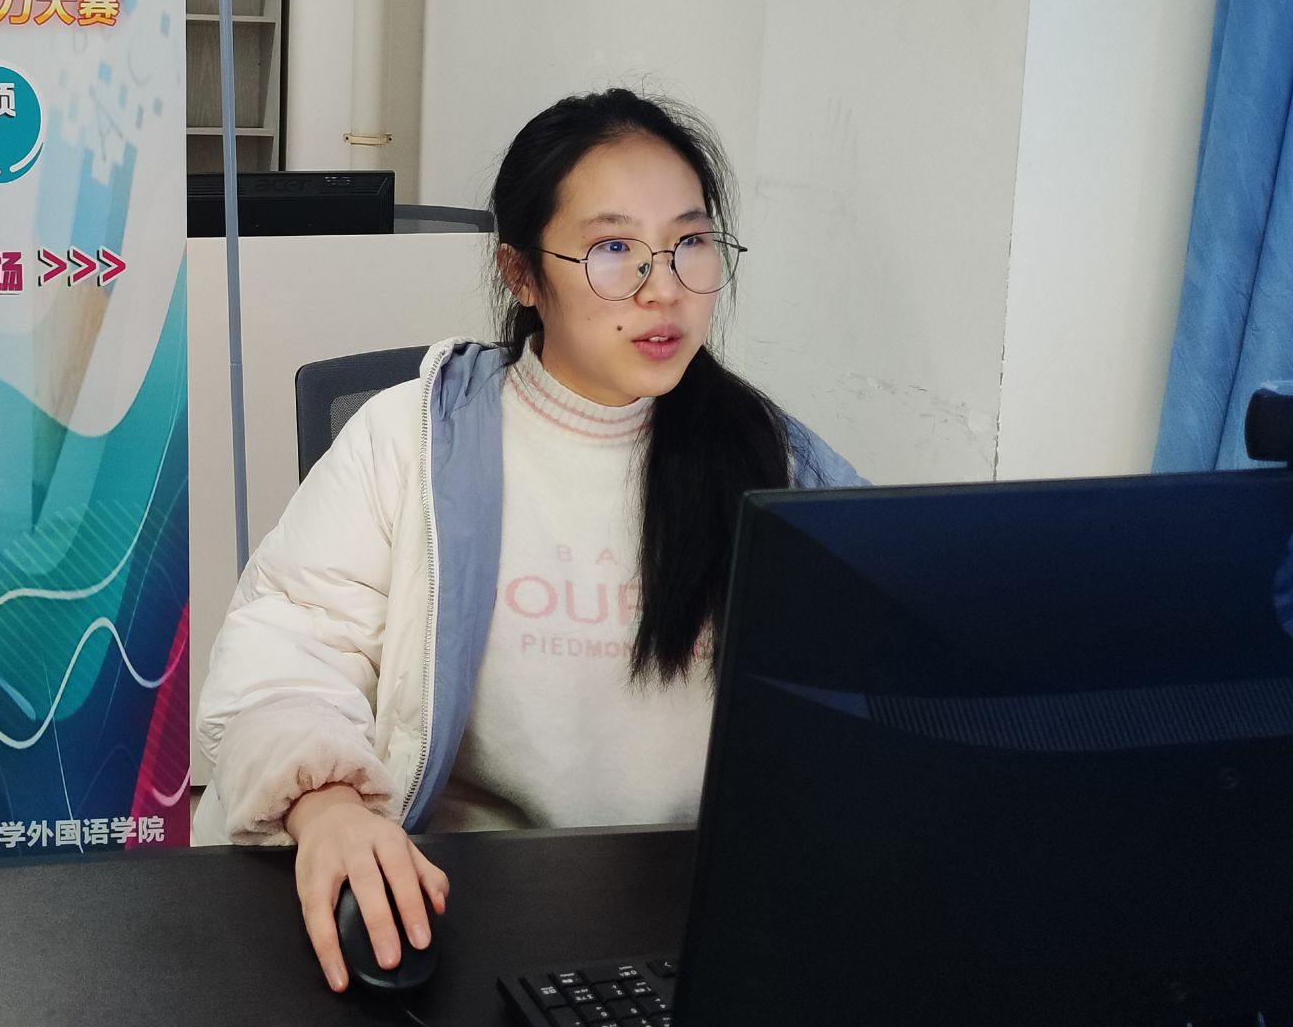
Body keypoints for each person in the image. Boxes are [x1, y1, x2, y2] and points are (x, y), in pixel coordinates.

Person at [192, 87, 863, 991]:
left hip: (703, 918)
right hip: (461, 902)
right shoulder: (414, 439)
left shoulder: (775, 459)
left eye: (691, 242)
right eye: (613, 249)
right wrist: (329, 803)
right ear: (520, 274)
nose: (663, 288)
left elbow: (886, 672)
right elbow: (290, 641)